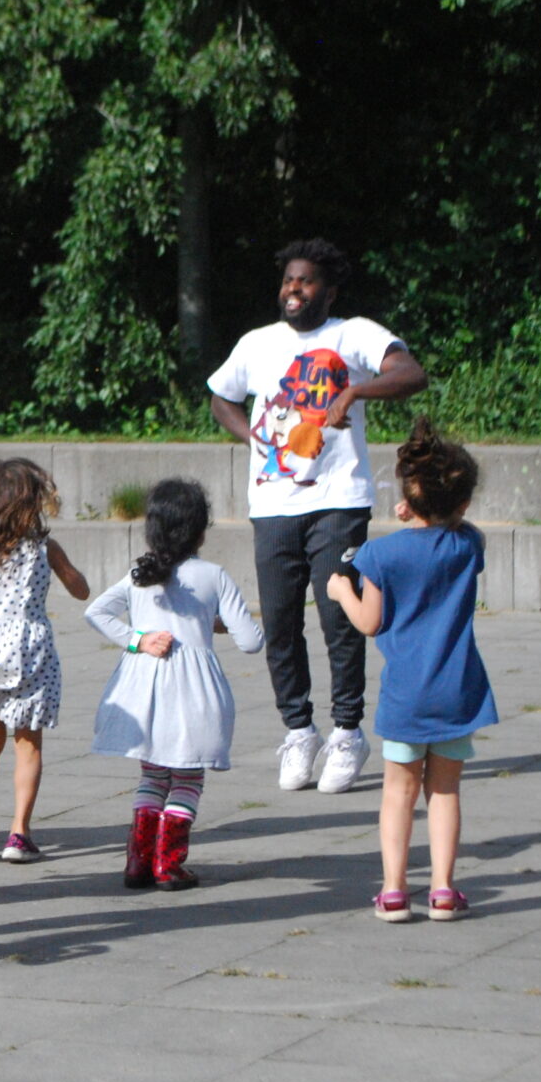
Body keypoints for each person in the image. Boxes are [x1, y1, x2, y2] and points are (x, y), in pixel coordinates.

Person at [205, 239, 427, 796]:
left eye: (304, 282)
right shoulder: (257, 344)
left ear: (328, 289)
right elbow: (219, 396)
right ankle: (299, 731)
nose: (293, 291)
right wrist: (249, 437)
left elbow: (411, 373)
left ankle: (347, 732)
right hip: (274, 504)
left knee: (338, 619)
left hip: (338, 501)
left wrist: (354, 390)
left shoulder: (355, 335)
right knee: (280, 622)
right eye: (287, 282)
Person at [327, 420, 497, 922]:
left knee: (399, 793)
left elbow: (369, 622)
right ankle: (444, 890)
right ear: (462, 504)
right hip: (458, 691)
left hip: (406, 695)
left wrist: (342, 591)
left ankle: (395, 889)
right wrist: (435, 512)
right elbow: (466, 528)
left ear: (407, 496)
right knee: (444, 792)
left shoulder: (380, 554)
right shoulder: (467, 547)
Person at [84, 480, 262, 890]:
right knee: (187, 777)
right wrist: (211, 624)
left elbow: (97, 612)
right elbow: (250, 641)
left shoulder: (139, 574)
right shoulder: (213, 575)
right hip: (194, 692)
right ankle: (169, 862)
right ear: (200, 530)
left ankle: (138, 860)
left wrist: (138, 640)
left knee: (152, 774)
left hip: (145, 686)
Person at [0, 458, 89, 864]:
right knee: (28, 746)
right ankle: (18, 834)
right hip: (31, 650)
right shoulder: (43, 547)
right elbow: (80, 590)